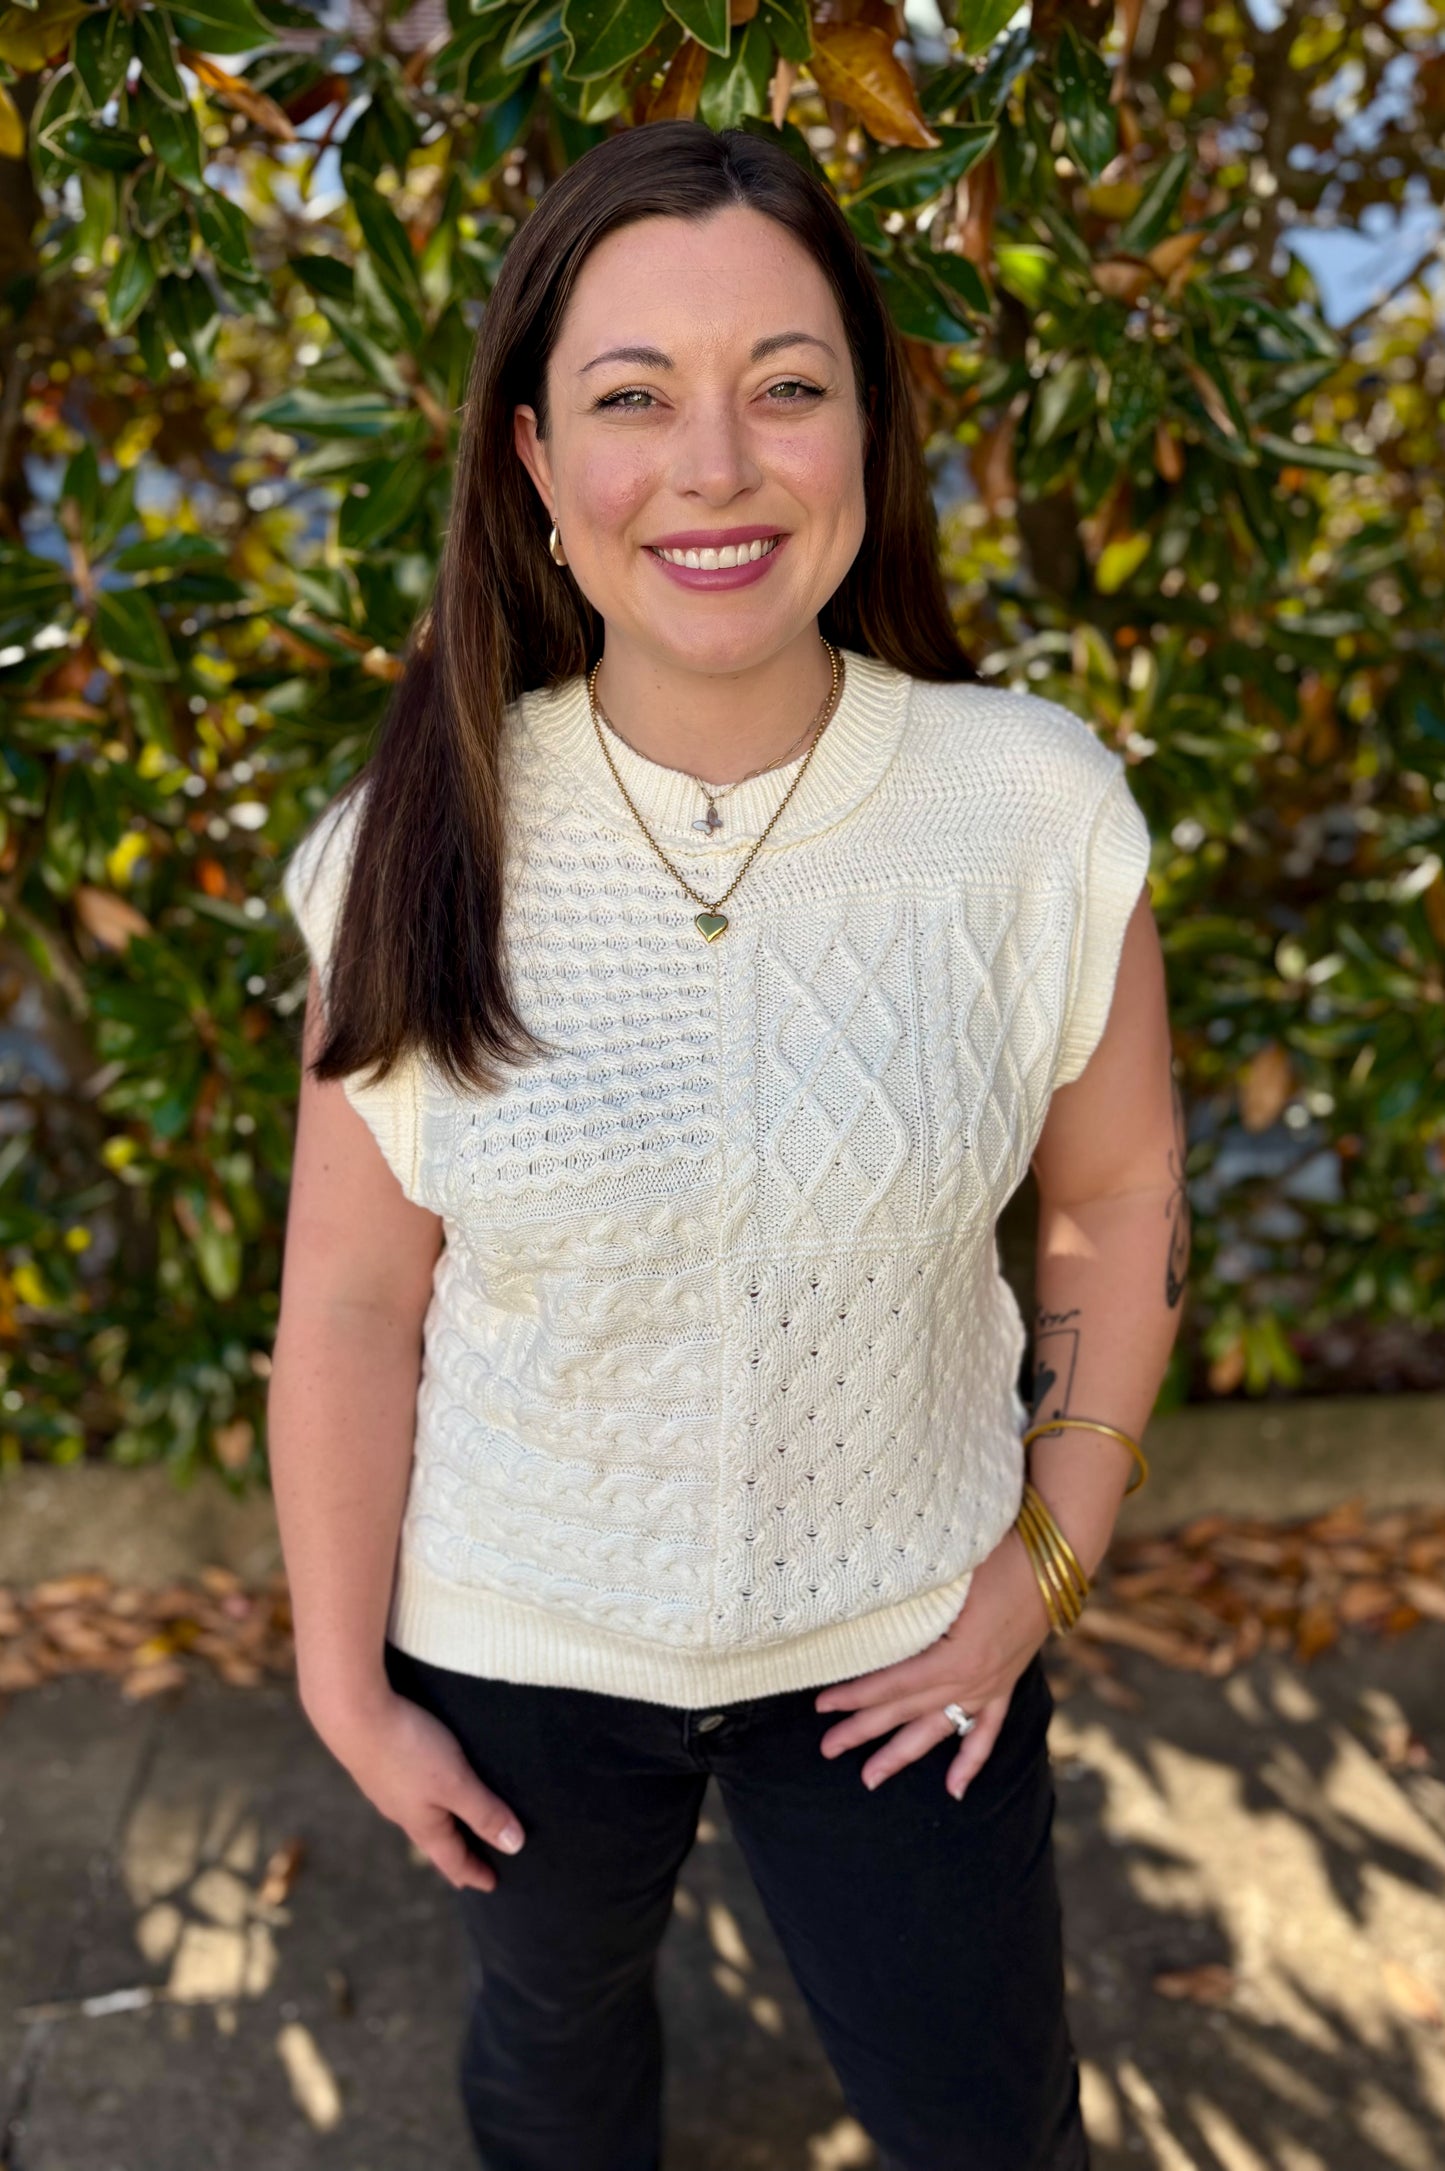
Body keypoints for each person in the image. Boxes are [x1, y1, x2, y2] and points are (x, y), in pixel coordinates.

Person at [269, 118, 1187, 2171]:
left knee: (984, 2119)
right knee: (554, 2058)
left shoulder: (1027, 813)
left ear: (868, 428)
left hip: (907, 1649)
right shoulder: (415, 841)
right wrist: (343, 1681)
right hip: (516, 1654)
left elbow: (1118, 1198)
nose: (715, 464)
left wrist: (1050, 1558)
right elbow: (345, 1298)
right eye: (631, 399)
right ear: (529, 463)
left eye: (787, 386)